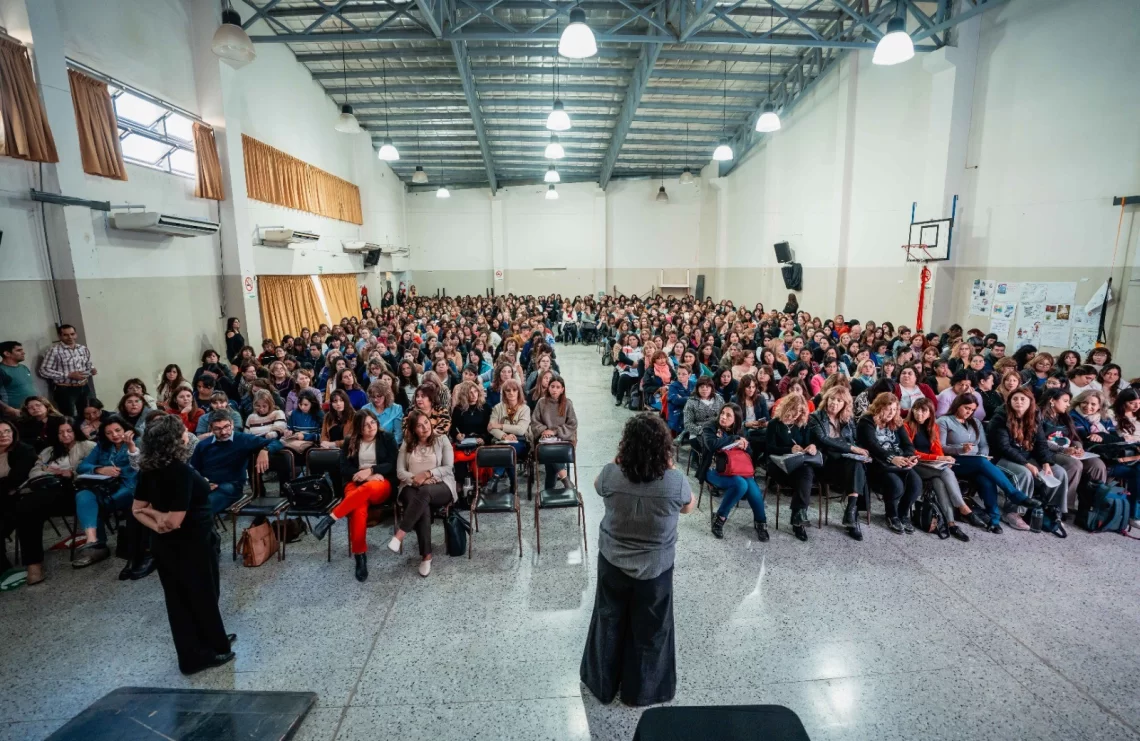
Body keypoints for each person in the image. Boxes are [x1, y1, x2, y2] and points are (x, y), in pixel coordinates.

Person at [580, 413, 694, 707]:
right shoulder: (675, 482)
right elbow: (688, 508)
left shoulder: (610, 474)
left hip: (613, 560)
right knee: (651, 629)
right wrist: (670, 468)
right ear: (664, 448)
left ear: (625, 445)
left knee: (608, 621)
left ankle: (603, 683)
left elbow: (597, 485)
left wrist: (619, 460)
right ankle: (642, 690)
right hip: (656, 568)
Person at [131, 414, 235, 675]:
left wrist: (157, 522)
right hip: (191, 543)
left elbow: (139, 509)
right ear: (174, 440)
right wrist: (163, 522)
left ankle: (213, 640)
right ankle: (196, 657)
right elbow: (175, 521)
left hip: (171, 543)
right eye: (182, 432)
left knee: (191, 597)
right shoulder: (180, 471)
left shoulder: (150, 468)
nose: (187, 434)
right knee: (196, 597)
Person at [311, 409, 398, 582]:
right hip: (355, 482)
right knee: (358, 509)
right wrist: (364, 475)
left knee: (366, 490)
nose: (371, 427)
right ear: (358, 428)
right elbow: (344, 468)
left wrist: (371, 470)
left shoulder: (386, 438)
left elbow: (392, 463)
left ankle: (331, 518)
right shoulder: (350, 441)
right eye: (366, 425)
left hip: (380, 483)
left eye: (373, 422)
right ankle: (360, 556)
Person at [937, 394, 1027, 534]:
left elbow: (984, 444)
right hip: (954, 461)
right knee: (981, 462)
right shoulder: (944, 421)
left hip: (977, 462)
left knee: (986, 480)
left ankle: (994, 520)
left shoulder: (975, 422)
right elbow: (940, 447)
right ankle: (1014, 493)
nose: (969, 412)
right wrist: (960, 449)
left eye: (972, 410)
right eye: (966, 408)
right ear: (957, 405)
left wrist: (983, 455)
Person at [388, 409, 457, 578]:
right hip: (411, 486)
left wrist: (427, 474)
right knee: (422, 503)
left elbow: (448, 467)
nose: (425, 428)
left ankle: (400, 534)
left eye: (426, 422)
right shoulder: (407, 443)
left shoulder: (442, 439)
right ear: (413, 430)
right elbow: (400, 472)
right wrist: (416, 479)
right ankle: (426, 556)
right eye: (419, 426)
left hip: (441, 485)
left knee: (424, 493)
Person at [987, 387, 1066, 533]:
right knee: (1024, 473)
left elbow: (1041, 443)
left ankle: (1048, 509)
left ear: (1030, 402)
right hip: (1000, 458)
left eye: (1023, 399)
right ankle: (1013, 512)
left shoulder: (1035, 417)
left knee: (1059, 472)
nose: (1019, 402)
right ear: (1009, 401)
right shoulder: (1000, 417)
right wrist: (1027, 464)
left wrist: (1046, 463)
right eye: (1015, 399)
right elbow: (1004, 447)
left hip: (1026, 456)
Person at [71, 415, 139, 567]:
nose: (114, 435)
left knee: (97, 503)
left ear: (126, 429)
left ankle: (99, 548)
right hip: (103, 485)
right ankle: (93, 541)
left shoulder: (136, 441)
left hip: (129, 486)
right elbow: (82, 467)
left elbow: (141, 466)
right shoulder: (102, 446)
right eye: (109, 433)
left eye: (118, 430)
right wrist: (100, 469)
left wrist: (131, 446)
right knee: (83, 495)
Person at [902, 398, 972, 541]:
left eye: (924, 411)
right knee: (945, 472)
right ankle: (962, 506)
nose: (919, 414)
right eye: (916, 410)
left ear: (930, 413)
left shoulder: (933, 426)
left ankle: (951, 524)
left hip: (931, 466)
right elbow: (911, 452)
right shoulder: (906, 426)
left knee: (939, 481)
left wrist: (943, 460)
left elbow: (937, 449)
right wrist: (939, 459)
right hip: (914, 464)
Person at [856, 392, 922, 534]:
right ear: (879, 407)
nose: (891, 413)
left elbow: (907, 444)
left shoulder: (897, 421)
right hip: (877, 464)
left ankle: (902, 514)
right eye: (888, 409)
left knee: (916, 484)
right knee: (896, 485)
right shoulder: (867, 421)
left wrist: (910, 457)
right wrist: (891, 458)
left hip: (899, 462)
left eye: (894, 409)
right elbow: (872, 446)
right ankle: (891, 515)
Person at [807, 386, 867, 541]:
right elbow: (823, 439)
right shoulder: (815, 417)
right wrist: (852, 448)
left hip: (845, 464)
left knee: (858, 464)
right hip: (825, 464)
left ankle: (851, 512)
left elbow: (854, 440)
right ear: (826, 400)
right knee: (857, 468)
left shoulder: (848, 419)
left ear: (845, 404)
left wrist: (861, 452)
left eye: (839, 400)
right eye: (832, 399)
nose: (834, 403)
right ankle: (852, 518)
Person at [189, 410, 279, 514]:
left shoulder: (243, 439)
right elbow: (194, 469)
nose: (223, 432)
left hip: (231, 486)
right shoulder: (203, 445)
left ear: (232, 424)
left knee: (202, 507)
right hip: (206, 484)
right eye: (218, 429)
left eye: (226, 427)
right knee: (183, 503)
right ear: (211, 428)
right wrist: (204, 483)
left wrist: (265, 450)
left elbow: (277, 442)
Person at [1039, 387, 1106, 519]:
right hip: (1048, 451)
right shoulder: (1039, 416)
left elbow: (1074, 438)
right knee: (1074, 464)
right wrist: (1064, 450)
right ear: (1052, 401)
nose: (1068, 404)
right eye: (1065, 401)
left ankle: (1090, 510)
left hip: (1067, 450)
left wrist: (1078, 448)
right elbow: (1039, 441)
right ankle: (1062, 506)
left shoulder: (1064, 417)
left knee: (1097, 465)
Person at [767, 393, 820, 541]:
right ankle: (798, 520)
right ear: (786, 407)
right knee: (805, 479)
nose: (796, 414)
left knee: (806, 472)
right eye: (793, 410)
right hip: (777, 465)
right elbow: (770, 449)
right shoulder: (774, 424)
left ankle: (798, 516)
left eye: (800, 411)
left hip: (797, 465)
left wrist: (811, 447)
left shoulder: (802, 425)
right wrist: (789, 449)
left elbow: (808, 443)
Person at [0, 419, 39, 576]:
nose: (3, 435)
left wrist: (6, 484)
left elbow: (16, 479)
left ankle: (3, 568)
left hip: (19, 499)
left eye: (7, 431)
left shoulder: (24, 450)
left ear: (13, 433)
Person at [530, 374, 578, 490]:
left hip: (563, 439)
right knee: (549, 452)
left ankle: (550, 489)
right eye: (552, 386)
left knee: (551, 462)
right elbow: (534, 422)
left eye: (558, 387)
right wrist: (544, 431)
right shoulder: (542, 402)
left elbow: (572, 424)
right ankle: (565, 478)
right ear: (548, 387)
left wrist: (555, 431)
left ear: (562, 389)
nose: (554, 390)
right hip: (545, 440)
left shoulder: (567, 403)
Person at [38, 325, 97, 417]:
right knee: (69, 417)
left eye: (72, 334)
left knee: (88, 414)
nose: (70, 337)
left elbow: (88, 363)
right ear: (60, 336)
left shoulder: (83, 348)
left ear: (76, 334)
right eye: (65, 335)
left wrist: (92, 369)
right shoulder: (54, 351)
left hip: (84, 386)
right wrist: (68, 375)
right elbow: (44, 370)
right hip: (65, 389)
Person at [487, 378, 531, 488]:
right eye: (508, 390)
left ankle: (496, 476)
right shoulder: (497, 408)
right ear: (504, 393)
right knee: (507, 451)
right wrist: (504, 436)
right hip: (501, 441)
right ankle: (513, 485)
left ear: (519, 392)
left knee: (509, 449)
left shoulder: (525, 409)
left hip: (520, 442)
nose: (511, 393)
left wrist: (501, 426)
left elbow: (521, 430)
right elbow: (491, 427)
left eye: (514, 390)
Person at [449, 380, 490, 486]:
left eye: (475, 391)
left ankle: (480, 483)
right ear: (464, 395)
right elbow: (453, 427)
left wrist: (484, 438)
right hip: (465, 441)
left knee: (481, 459)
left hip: (481, 440)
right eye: (470, 392)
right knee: (459, 459)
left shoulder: (485, 407)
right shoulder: (458, 409)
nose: (473, 395)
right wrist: (457, 435)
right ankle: (461, 483)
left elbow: (490, 428)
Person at [0, 341, 38, 417]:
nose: (23, 353)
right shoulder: (1, 370)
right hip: (14, 413)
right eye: (19, 350)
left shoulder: (23, 368)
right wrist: (8, 409)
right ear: (7, 353)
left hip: (30, 410)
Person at [361, 380, 404, 445]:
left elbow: (398, 434)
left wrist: (388, 446)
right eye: (373, 396)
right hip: (369, 444)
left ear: (386, 395)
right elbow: (362, 432)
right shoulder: (365, 409)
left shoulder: (396, 409)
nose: (375, 399)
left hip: (389, 445)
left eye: (379, 396)